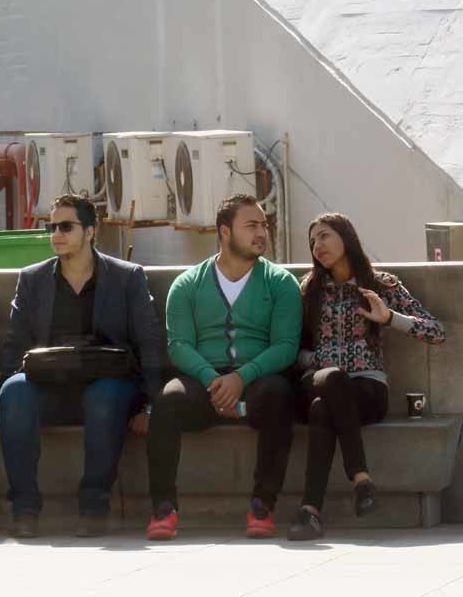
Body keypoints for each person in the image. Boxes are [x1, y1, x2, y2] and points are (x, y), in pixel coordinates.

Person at [0, 193, 164, 538]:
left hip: (110, 382)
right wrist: (1, 406)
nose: (56, 234)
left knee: (102, 398)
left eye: (66, 226)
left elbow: (149, 343)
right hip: (50, 382)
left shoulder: (127, 277)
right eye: (51, 226)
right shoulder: (32, 279)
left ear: (90, 231)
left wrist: (150, 402)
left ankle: (93, 507)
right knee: (14, 393)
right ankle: (25, 508)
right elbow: (14, 345)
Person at [146, 194, 302, 540]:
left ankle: (263, 506)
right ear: (225, 232)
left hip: (258, 378)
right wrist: (213, 381)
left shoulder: (281, 283)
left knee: (279, 395)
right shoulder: (187, 284)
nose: (262, 232)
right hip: (203, 381)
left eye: (264, 225)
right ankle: (163, 508)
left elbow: (286, 346)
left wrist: (241, 378)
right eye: (251, 225)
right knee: (167, 402)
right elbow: (179, 345)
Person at [287, 214, 445, 540]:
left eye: (325, 236)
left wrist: (389, 318)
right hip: (319, 379)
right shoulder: (308, 291)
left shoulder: (381, 284)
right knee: (331, 380)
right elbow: (290, 351)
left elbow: (436, 332)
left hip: (367, 390)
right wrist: (317, 359)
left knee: (323, 409)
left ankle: (310, 512)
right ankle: (360, 478)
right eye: (313, 240)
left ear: (347, 237)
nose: (318, 246)